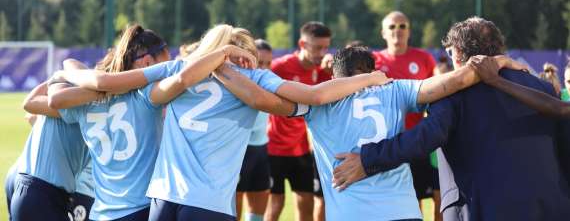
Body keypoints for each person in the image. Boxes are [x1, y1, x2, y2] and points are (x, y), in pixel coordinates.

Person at [57, 24, 389, 221]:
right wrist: (369, 78)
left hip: (162, 200)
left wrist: (66, 70)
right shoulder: (254, 76)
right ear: (243, 53)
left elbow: (105, 83)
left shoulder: (179, 69)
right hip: (208, 204)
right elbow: (315, 96)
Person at [215, 45, 523, 221]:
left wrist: (223, 68)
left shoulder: (317, 101)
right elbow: (452, 82)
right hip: (402, 213)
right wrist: (497, 61)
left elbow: (259, 100)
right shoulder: (395, 88)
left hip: (351, 215)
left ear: (334, 75)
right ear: (372, 70)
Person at [332, 17, 570, 220]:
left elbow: (425, 137)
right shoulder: (543, 88)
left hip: (482, 208)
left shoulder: (452, 92)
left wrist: (368, 159)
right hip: (551, 206)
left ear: (457, 54)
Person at [44, 24, 260, 221]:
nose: (168, 67)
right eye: (165, 61)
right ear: (148, 63)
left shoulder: (83, 102)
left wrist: (64, 77)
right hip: (141, 208)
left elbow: (41, 103)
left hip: (100, 213)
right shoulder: (145, 95)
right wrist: (223, 55)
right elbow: (181, 79)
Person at [373, 11, 440, 220]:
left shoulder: (424, 58)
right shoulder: (373, 61)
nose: (397, 31)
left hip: (419, 140)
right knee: (400, 202)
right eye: (392, 27)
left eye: (402, 26)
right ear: (383, 32)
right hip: (387, 142)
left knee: (432, 197)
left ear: (409, 31)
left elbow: (440, 88)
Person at [266, 21, 333, 221]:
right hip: (274, 148)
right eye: (317, 47)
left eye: (326, 47)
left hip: (302, 148)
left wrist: (331, 71)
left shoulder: (320, 71)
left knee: (306, 204)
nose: (322, 53)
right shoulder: (279, 67)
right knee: (275, 204)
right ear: (302, 44)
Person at [13, 61, 95, 221]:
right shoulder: (74, 108)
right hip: (41, 193)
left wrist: (57, 76)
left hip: (34, 189)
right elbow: (70, 62)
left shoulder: (71, 107)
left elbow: (29, 103)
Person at [236, 39, 274, 221]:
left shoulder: (270, 81)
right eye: (260, 63)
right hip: (239, 150)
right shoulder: (237, 83)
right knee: (232, 211)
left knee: (258, 213)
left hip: (261, 149)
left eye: (269, 63)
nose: (265, 68)